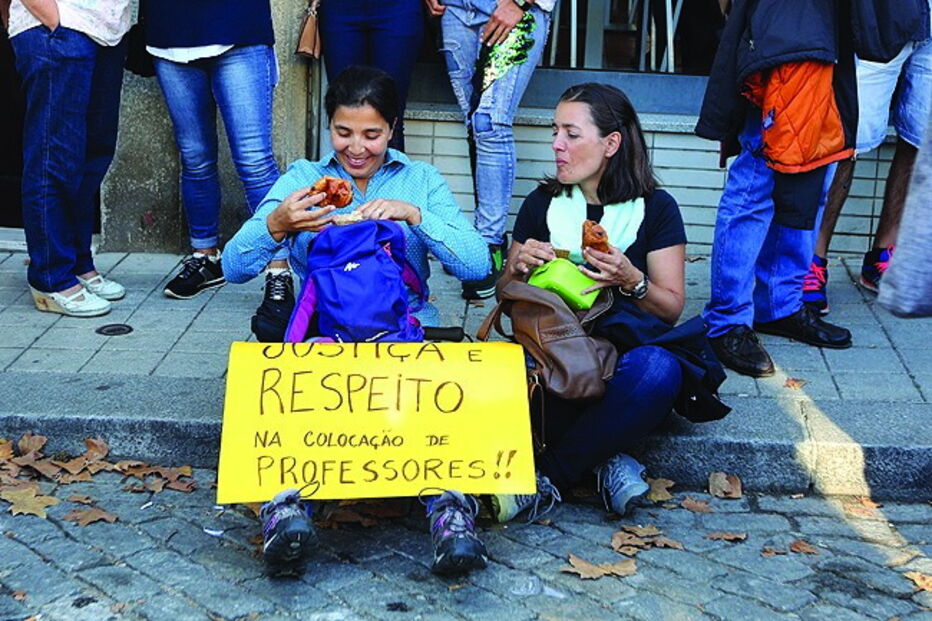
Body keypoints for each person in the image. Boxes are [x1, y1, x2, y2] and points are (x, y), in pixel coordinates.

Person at [222, 65, 491, 575]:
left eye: (372, 133)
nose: (357, 147)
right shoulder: (305, 179)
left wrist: (416, 216)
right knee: (287, 383)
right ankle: (286, 513)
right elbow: (234, 266)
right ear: (329, 127)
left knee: (441, 394)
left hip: (408, 328)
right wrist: (278, 223)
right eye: (344, 132)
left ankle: (451, 517)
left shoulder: (421, 179)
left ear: (393, 129)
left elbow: (477, 267)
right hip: (328, 331)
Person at [491, 83, 693, 522]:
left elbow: (670, 307)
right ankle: (607, 459)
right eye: (554, 132)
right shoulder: (541, 204)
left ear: (611, 144)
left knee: (659, 371)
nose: (556, 145)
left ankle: (549, 478)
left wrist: (631, 278)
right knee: (503, 372)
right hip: (552, 353)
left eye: (571, 133)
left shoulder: (657, 209)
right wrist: (518, 266)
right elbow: (504, 291)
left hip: (620, 359)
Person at [696, 0, 857, 378]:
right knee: (755, 181)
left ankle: (778, 305)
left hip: (824, 32)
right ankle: (727, 320)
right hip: (779, 32)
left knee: (810, 175)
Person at [145, 0, 292, 340]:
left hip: (237, 28)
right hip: (170, 32)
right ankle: (205, 256)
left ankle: (279, 271)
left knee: (254, 160)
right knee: (194, 156)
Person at [803, 6, 931, 315]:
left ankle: (884, 256)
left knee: (920, 139)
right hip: (881, 13)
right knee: (846, 140)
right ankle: (811, 260)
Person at [8, 0, 131, 317]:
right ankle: (51, 277)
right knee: (54, 156)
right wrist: (51, 18)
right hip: (58, 26)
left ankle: (77, 262)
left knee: (93, 155)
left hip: (107, 30)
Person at [425, 0, 554, 300]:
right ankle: (479, 242)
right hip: (457, 9)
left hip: (515, 9)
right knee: (474, 123)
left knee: (490, 122)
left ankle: (489, 245)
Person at [318, 0, 424, 152]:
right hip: (339, 8)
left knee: (390, 116)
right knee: (341, 109)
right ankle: (341, 176)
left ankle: (391, 175)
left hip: (398, 7)